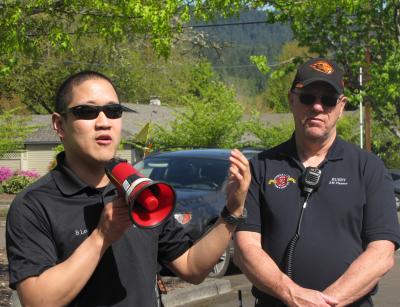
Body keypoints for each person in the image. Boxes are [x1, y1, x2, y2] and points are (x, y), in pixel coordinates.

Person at [6, 70, 251, 307]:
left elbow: (192, 268)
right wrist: (101, 237)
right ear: (59, 125)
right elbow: (37, 300)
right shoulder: (34, 204)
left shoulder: (139, 191)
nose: (103, 123)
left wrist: (233, 210)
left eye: (113, 111)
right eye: (87, 112)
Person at [234, 58, 400, 307]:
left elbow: (382, 253)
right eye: (308, 97)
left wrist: (324, 303)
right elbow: (245, 247)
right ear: (292, 100)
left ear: (341, 106)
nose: (318, 107)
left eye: (329, 99)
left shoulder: (368, 167)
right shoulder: (260, 167)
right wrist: (292, 295)